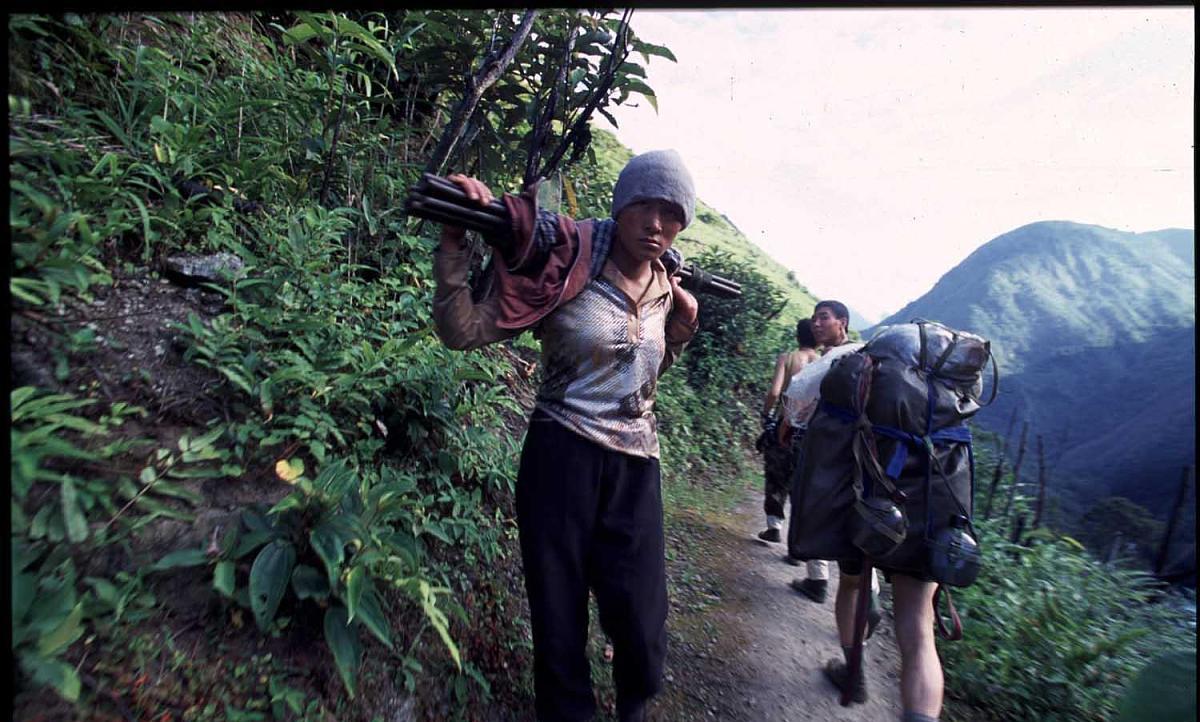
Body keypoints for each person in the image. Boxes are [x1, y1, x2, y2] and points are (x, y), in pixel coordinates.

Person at [430, 150, 700, 722]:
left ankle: (634, 699)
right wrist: (455, 244)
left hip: (636, 464)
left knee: (641, 609)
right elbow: (461, 331)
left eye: (671, 213)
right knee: (558, 606)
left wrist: (678, 331)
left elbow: (643, 369)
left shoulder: (667, 286)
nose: (656, 224)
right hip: (562, 454)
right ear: (621, 206)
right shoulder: (567, 266)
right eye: (644, 207)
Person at [757, 317, 819, 543]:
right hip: (811, 433)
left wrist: (766, 415)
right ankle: (798, 541)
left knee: (776, 475)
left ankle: (774, 526)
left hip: (785, 427)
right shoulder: (824, 362)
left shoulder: (788, 358)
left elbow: (774, 392)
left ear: (797, 335)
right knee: (801, 483)